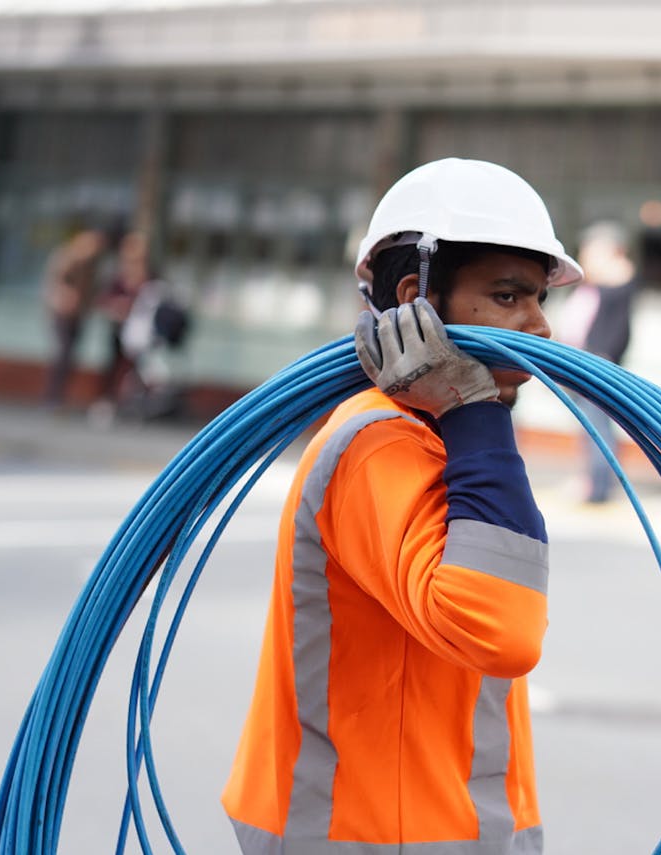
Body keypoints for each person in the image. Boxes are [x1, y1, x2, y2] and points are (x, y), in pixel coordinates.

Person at [222, 158, 583, 854]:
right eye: (510, 297)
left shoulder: (447, 439)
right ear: (418, 298)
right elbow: (502, 629)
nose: (539, 325)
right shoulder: (379, 443)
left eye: (541, 298)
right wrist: (474, 412)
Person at [557, 220, 637, 503]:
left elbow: (614, 331)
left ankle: (599, 486)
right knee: (591, 427)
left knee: (596, 429)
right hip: (583, 365)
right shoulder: (595, 287)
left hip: (596, 366)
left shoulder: (615, 284)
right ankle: (595, 482)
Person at [90, 230, 152, 423]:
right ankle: (107, 402)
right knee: (113, 366)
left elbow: (156, 297)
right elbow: (103, 298)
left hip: (140, 332)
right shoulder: (118, 276)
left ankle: (133, 406)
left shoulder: (148, 275)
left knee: (136, 370)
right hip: (118, 327)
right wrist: (117, 306)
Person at [41, 228, 106, 406]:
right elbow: (57, 282)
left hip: (79, 313)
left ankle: (60, 394)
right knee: (63, 353)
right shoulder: (68, 258)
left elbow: (93, 288)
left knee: (70, 355)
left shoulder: (92, 265)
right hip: (61, 312)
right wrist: (65, 298)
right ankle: (52, 395)